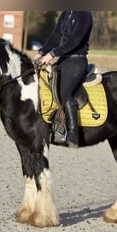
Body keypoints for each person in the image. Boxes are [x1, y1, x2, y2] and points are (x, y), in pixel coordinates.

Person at [33, 11, 93, 148]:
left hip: (77, 60)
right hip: (63, 60)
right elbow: (55, 36)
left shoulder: (84, 14)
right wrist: (41, 52)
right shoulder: (66, 13)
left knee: (65, 93)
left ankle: (73, 134)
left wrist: (53, 54)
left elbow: (75, 40)